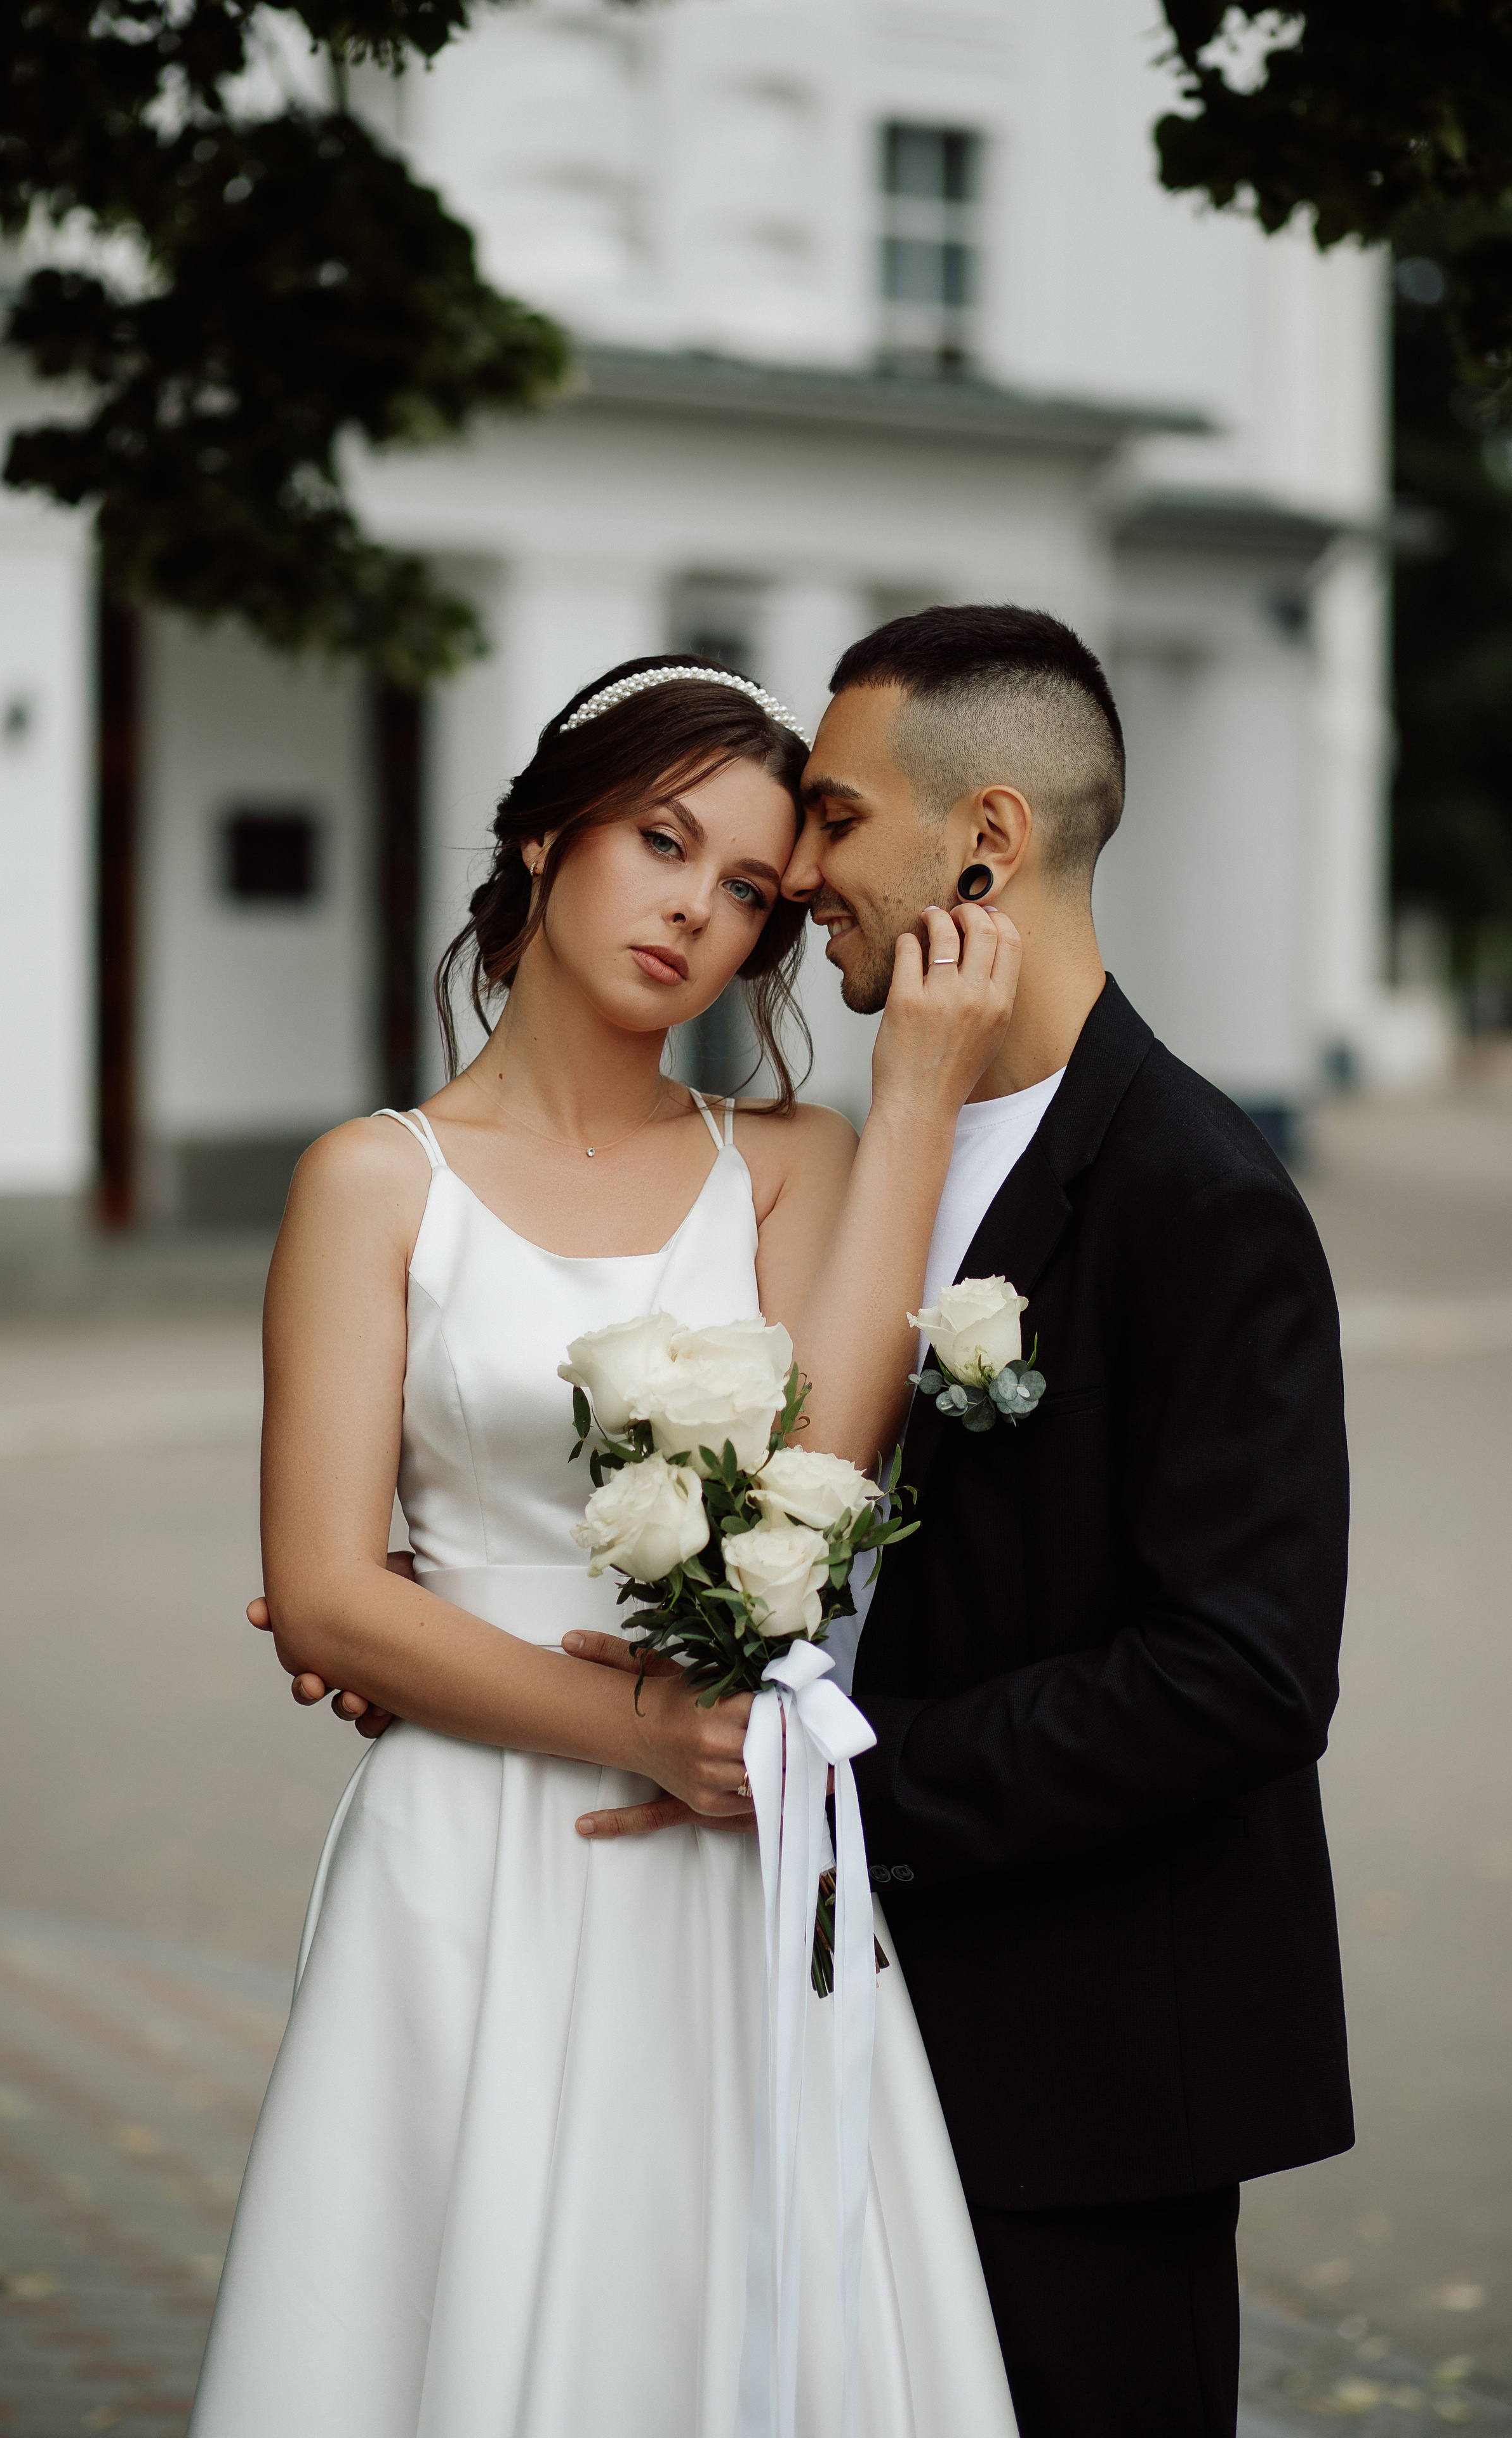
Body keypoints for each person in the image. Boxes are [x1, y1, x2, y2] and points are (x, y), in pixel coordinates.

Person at [192, 653, 1025, 2437]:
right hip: (470, 1849)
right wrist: (640, 1728)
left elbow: (826, 1469)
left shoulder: (790, 1157)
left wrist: (924, 1088)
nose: (697, 915)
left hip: (730, 1856)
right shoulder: (372, 1181)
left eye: (746, 894)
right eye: (662, 841)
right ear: (547, 833)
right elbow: (329, 1590)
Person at [569, 605, 1356, 2438]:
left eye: (833, 823)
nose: (795, 880)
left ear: (982, 841)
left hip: (1084, 2067)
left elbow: (1239, 1677)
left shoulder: (1198, 1192)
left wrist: (841, 1774)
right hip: (812, 2014)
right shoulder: (859, 1158)